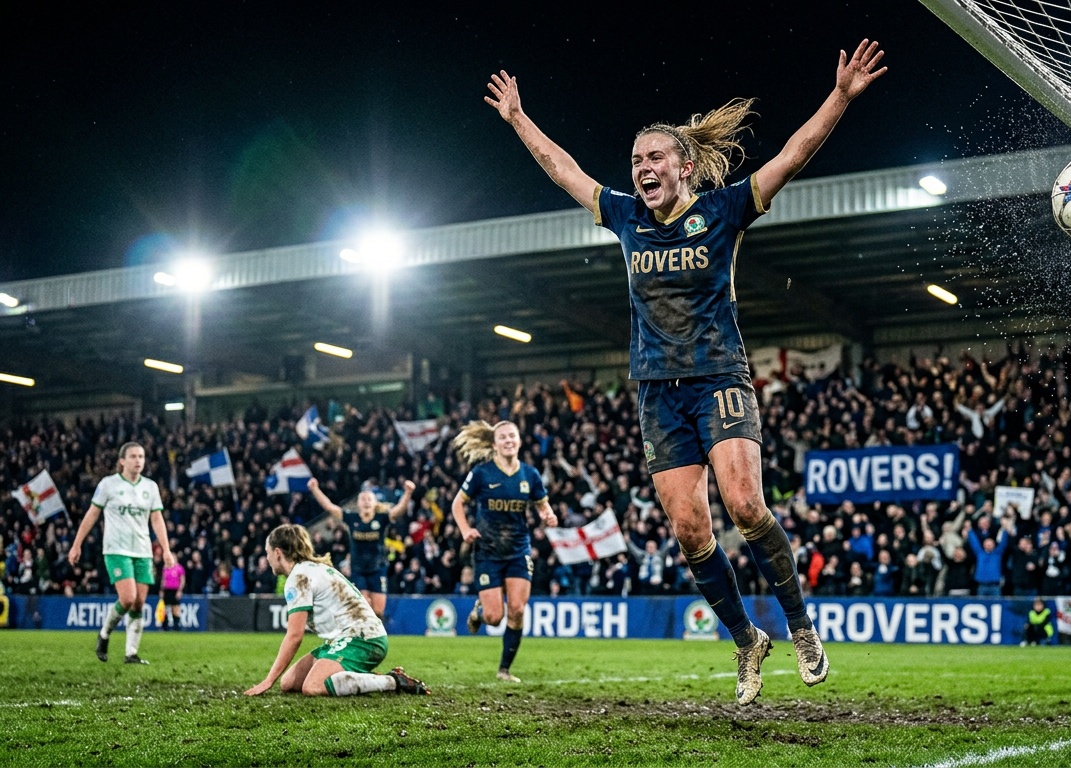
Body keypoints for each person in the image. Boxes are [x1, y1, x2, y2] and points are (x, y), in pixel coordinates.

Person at [485, 38, 886, 705]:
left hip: (720, 378)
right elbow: (564, 169)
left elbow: (792, 154)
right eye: (636, 158)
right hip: (656, 396)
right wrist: (520, 118)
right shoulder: (624, 216)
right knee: (689, 528)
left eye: (654, 156)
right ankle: (746, 641)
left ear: (686, 164)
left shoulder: (723, 210)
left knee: (745, 502)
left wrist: (841, 97)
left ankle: (800, 624)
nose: (641, 167)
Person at [243, 524, 429, 697]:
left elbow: (294, 636)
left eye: (267, 553)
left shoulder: (298, 578)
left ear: (277, 553)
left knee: (313, 687)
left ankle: (392, 681)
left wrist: (267, 681)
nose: (267, 559)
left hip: (363, 639)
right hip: (348, 638)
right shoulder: (311, 569)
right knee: (288, 683)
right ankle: (359, 676)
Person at [451, 420, 559, 683]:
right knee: (494, 617)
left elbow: (542, 505)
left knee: (518, 610)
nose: (508, 440)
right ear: (494, 444)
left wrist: (549, 515)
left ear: (519, 441)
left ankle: (504, 670)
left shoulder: (530, 475)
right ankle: (480, 610)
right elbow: (457, 503)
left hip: (518, 549)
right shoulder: (482, 473)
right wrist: (465, 529)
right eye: (503, 437)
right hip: (488, 551)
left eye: (513, 436)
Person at [67, 442, 175, 664]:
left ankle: (131, 653)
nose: (138, 461)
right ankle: (104, 634)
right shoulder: (109, 484)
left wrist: (166, 549)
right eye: (133, 456)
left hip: (143, 551)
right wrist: (77, 544)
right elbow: (92, 514)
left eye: (142, 457)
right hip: (116, 549)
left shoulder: (151, 487)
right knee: (127, 598)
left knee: (138, 603)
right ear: (122, 461)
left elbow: (156, 519)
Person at [307, 477, 416, 618]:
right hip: (358, 570)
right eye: (363, 499)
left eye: (369, 499)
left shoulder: (381, 518)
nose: (366, 501)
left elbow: (399, 510)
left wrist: (408, 493)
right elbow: (329, 506)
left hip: (378, 568)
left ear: (375, 503)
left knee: (378, 611)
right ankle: (363, 637)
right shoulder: (351, 518)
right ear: (358, 503)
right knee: (363, 608)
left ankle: (376, 637)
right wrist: (315, 488)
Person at [160, 552, 185, 631]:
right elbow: (163, 579)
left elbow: (182, 580)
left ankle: (176, 627)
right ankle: (165, 627)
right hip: (167, 590)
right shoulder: (165, 568)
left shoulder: (179, 568)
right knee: (166, 609)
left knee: (175, 608)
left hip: (175, 590)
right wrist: (161, 590)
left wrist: (180, 590)